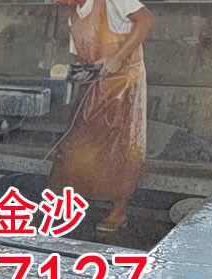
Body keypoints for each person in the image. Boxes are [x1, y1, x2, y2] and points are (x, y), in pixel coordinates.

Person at [49, 0, 154, 233]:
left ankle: (119, 209)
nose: (56, 1)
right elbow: (82, 55)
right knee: (75, 142)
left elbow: (146, 19)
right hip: (95, 83)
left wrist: (118, 58)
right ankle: (62, 200)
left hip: (125, 83)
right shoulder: (74, 15)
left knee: (121, 144)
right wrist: (79, 70)